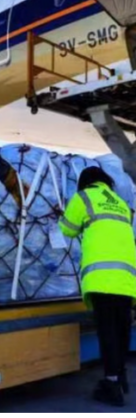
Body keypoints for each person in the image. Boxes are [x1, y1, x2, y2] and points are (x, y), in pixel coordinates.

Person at [59, 166, 136, 407]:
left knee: (107, 332)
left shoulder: (83, 197)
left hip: (102, 277)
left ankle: (112, 384)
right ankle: (120, 373)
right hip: (127, 279)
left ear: (85, 182)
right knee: (122, 329)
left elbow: (66, 230)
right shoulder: (121, 203)